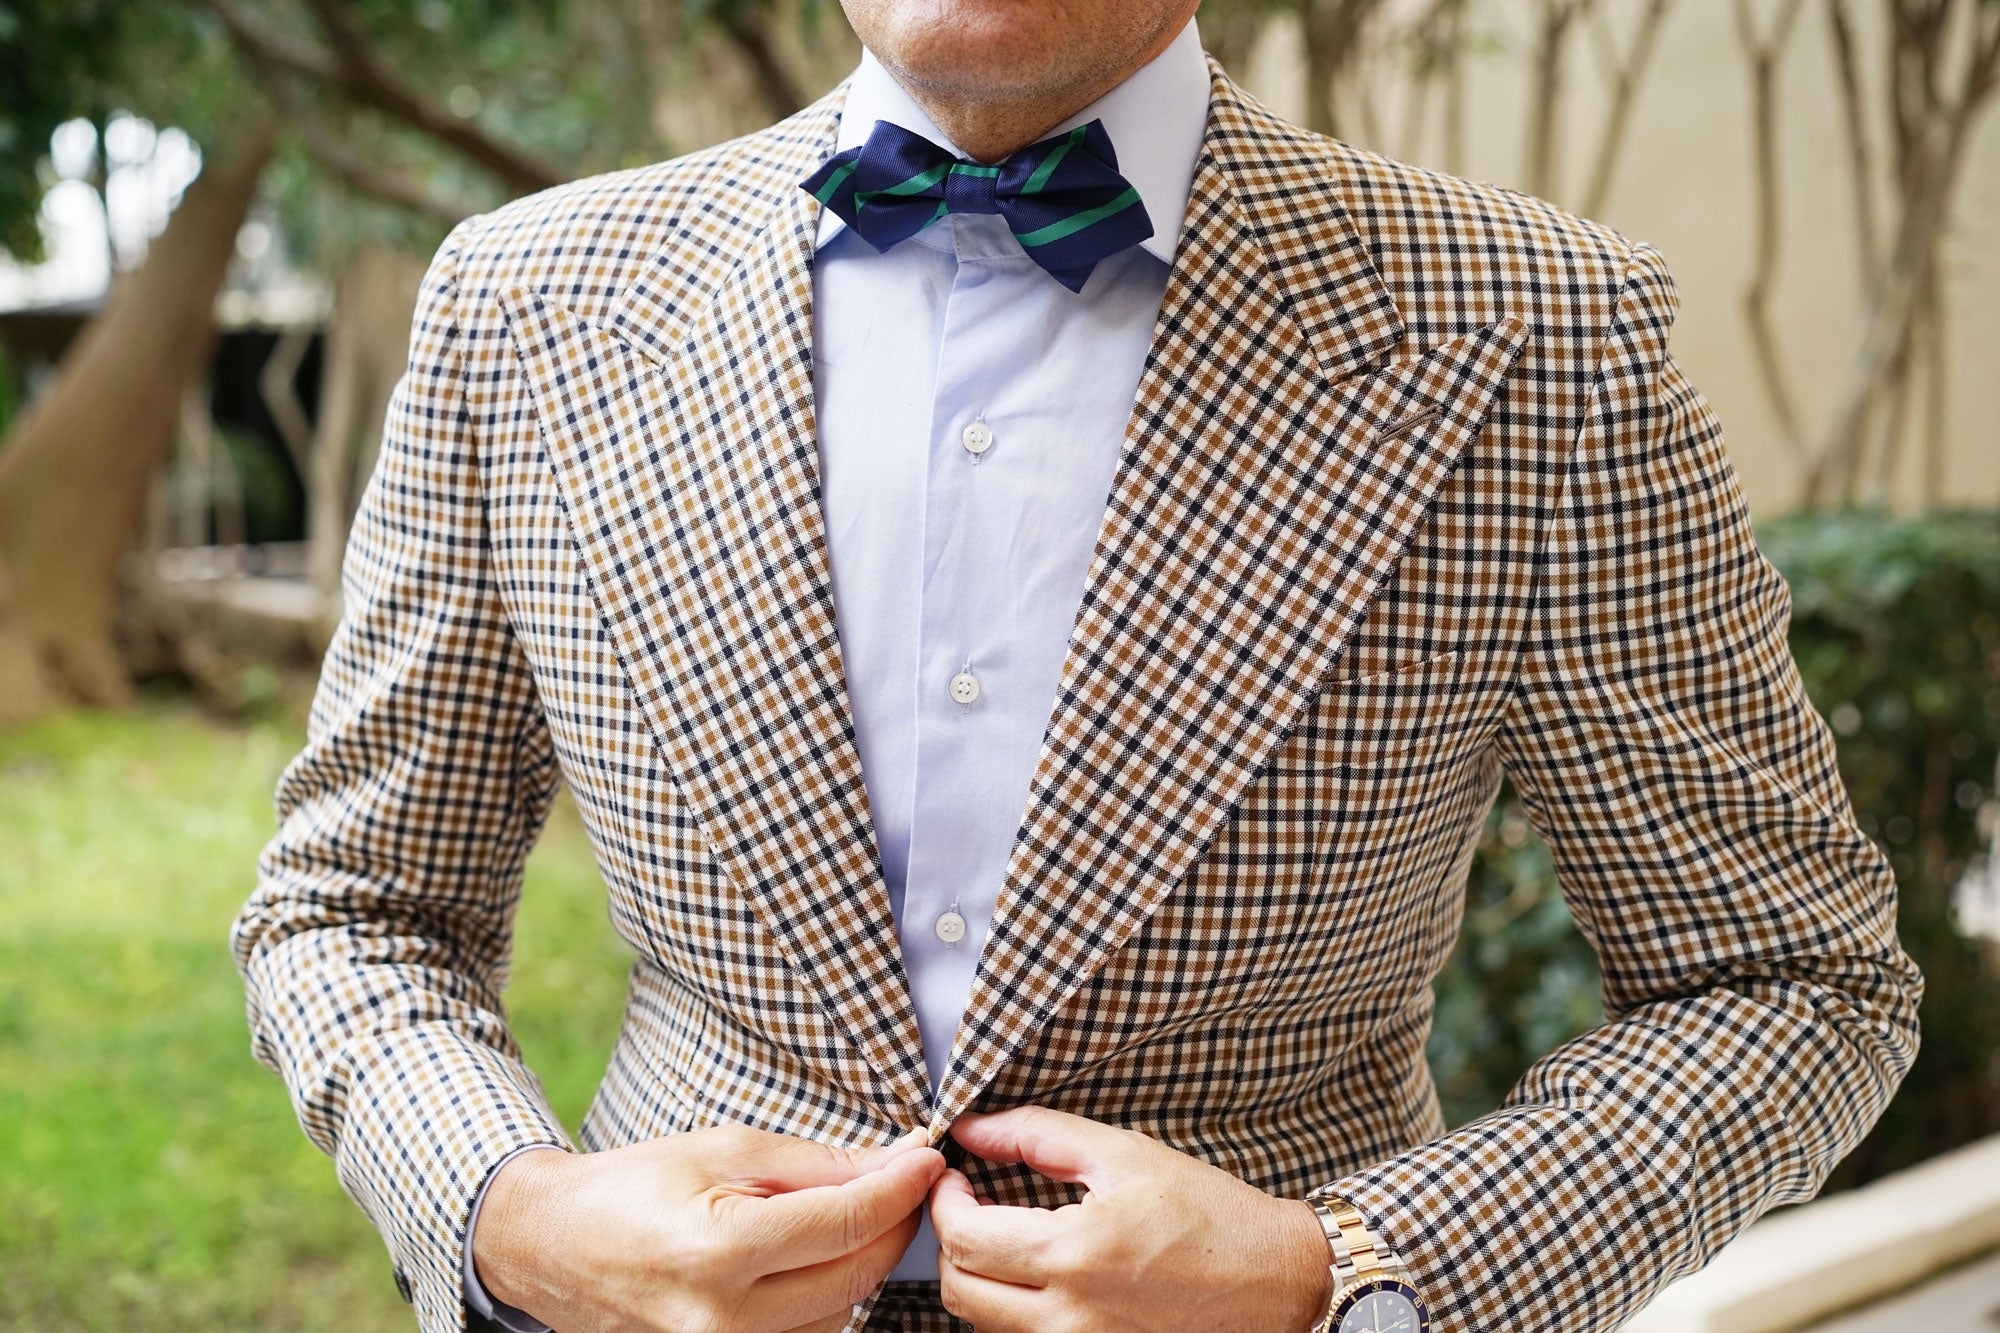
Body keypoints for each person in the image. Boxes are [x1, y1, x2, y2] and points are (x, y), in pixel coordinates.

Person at [230, 0, 1924, 1328]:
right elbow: (355, 910)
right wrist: (511, 1216)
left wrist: (1344, 1270)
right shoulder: (525, 308)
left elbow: (1795, 984)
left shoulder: (1539, 337)